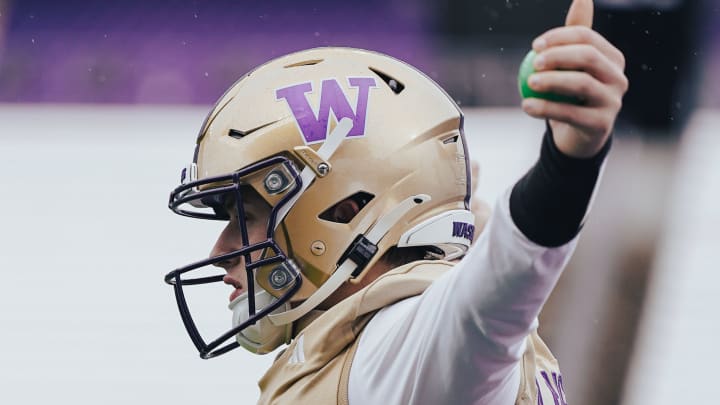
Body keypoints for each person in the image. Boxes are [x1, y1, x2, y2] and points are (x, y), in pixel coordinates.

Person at [164, 0, 628, 403]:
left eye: (245, 216)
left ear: (344, 212)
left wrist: (567, 163)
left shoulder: (398, 353)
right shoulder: (358, 346)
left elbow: (497, 292)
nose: (219, 250)